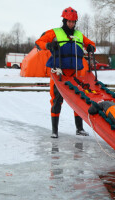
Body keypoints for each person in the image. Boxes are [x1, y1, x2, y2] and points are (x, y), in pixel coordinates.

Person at [35, 7, 96, 138]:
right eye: (69, 21)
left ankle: (79, 129)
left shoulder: (79, 35)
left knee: (78, 100)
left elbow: (90, 43)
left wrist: (91, 47)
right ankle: (54, 131)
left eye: (73, 22)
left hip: (75, 74)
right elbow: (39, 42)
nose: (71, 24)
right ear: (64, 20)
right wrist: (49, 45)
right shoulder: (55, 32)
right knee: (56, 100)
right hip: (59, 73)